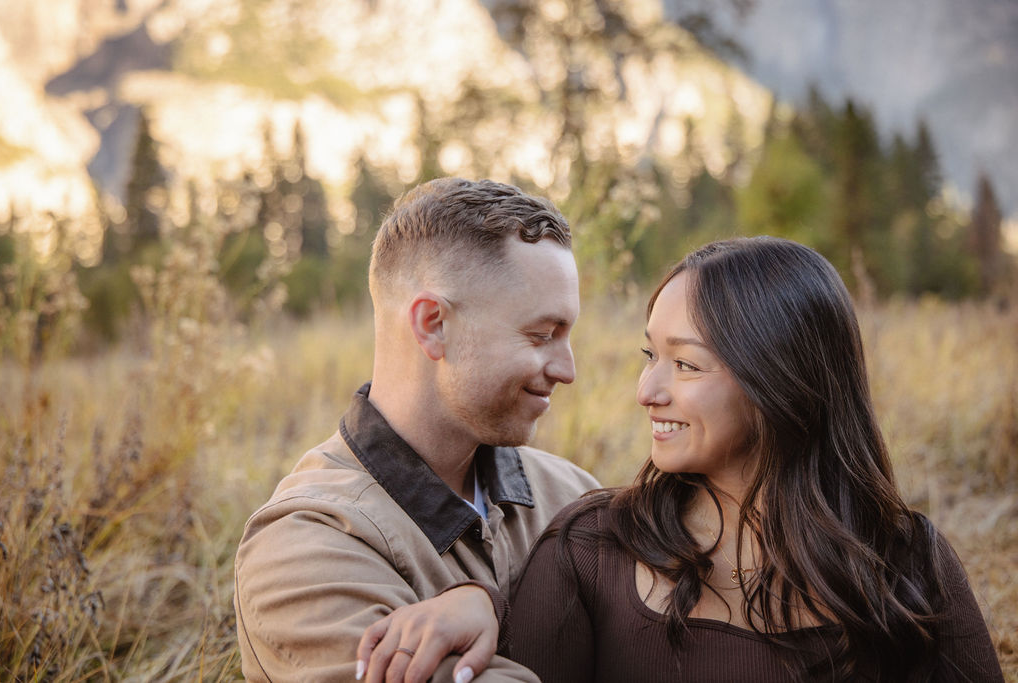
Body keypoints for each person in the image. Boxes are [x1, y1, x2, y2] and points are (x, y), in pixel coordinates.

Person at [508, 237, 1004, 682]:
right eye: (650, 355)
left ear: (778, 382)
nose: (646, 391)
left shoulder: (907, 563)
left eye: (685, 364)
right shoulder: (590, 552)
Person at [233, 177, 600, 683]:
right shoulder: (303, 548)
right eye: (541, 335)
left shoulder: (576, 496)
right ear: (433, 324)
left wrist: (491, 610)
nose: (567, 369)